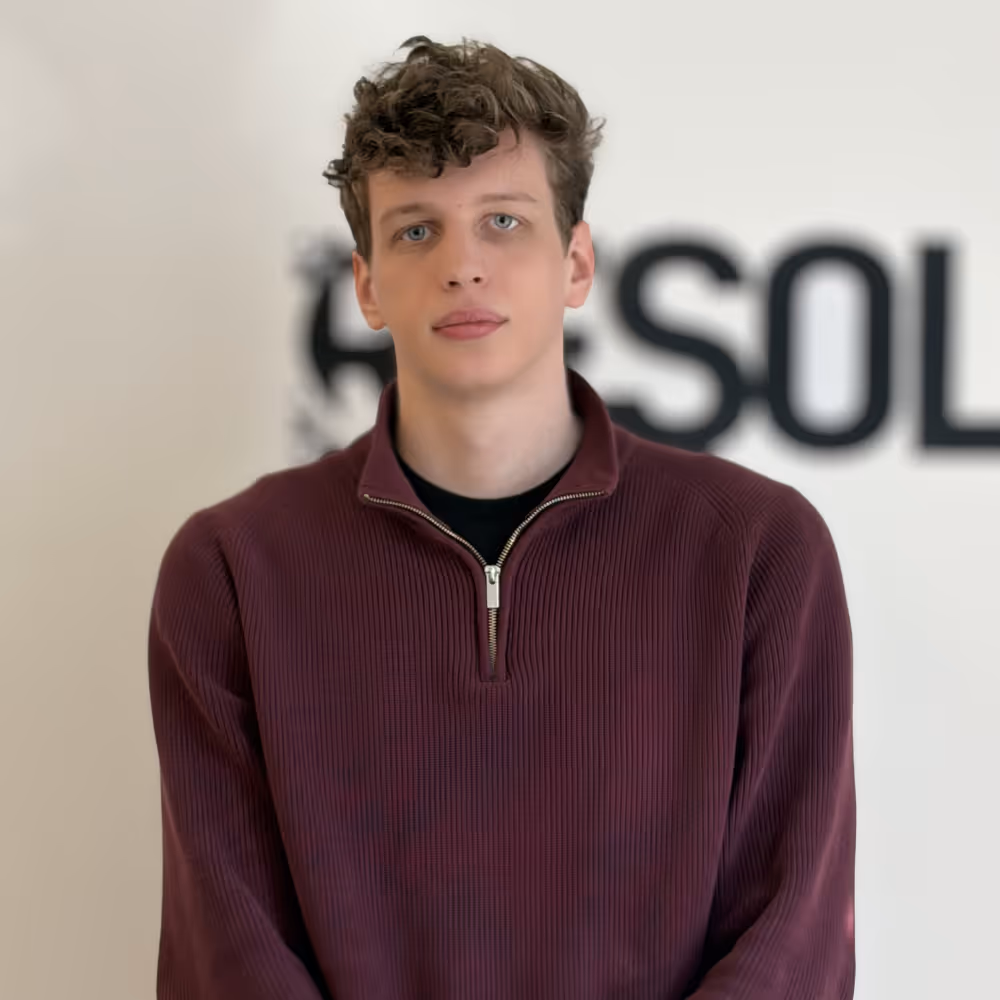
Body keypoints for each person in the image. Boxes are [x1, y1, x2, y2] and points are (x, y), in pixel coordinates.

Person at [147, 34, 856, 999]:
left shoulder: (759, 552)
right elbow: (228, 952)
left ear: (577, 264)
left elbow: (793, 935)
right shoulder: (231, 570)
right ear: (366, 286)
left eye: (504, 222)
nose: (463, 266)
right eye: (416, 231)